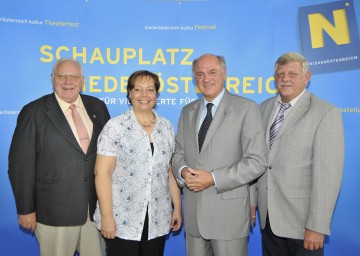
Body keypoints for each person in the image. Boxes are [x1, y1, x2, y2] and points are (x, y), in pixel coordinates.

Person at [8, 58, 110, 256]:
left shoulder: (97, 106)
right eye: (61, 76)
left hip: (94, 210)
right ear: (52, 79)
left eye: (74, 76)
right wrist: (25, 209)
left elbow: (108, 156)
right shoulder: (34, 111)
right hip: (54, 212)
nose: (67, 81)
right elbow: (21, 165)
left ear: (82, 80)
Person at [171, 53, 267, 256]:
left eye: (212, 72)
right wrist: (183, 170)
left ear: (224, 73)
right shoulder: (187, 111)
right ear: (194, 79)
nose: (206, 79)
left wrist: (214, 178)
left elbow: (257, 161)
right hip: (194, 217)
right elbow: (178, 152)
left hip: (228, 218)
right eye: (199, 74)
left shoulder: (247, 108)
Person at [252, 52, 344, 256]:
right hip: (268, 220)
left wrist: (317, 226)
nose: (285, 79)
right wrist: (252, 200)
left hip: (303, 225)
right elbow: (256, 161)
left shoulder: (325, 113)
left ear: (307, 77)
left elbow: (329, 176)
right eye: (280, 74)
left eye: (292, 74)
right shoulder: (263, 108)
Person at [93, 70, 182, 256]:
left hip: (158, 217)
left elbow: (168, 172)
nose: (144, 95)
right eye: (138, 89)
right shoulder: (115, 127)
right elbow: (102, 174)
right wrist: (107, 216)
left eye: (150, 90)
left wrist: (177, 207)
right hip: (122, 219)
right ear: (129, 93)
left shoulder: (166, 127)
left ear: (157, 95)